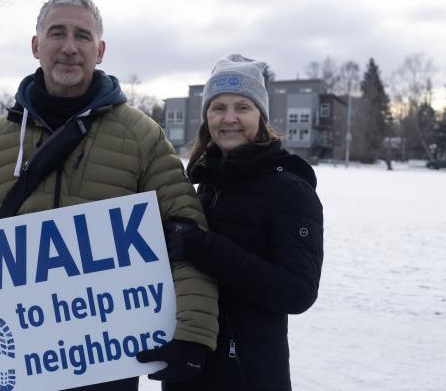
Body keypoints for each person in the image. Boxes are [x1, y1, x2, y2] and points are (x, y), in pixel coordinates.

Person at [0, 0, 220, 391]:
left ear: (99, 51)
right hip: (18, 356)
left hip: (107, 357)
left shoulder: (141, 136)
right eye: (57, 33)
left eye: (82, 36)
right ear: (37, 45)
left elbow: (188, 234)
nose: (69, 47)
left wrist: (194, 333)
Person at [137, 54, 324, 390]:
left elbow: (298, 291)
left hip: (248, 372)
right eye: (218, 108)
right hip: (191, 365)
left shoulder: (290, 190)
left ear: (261, 116)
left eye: (242, 107)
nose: (229, 118)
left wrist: (205, 248)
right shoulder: (206, 184)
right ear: (207, 116)